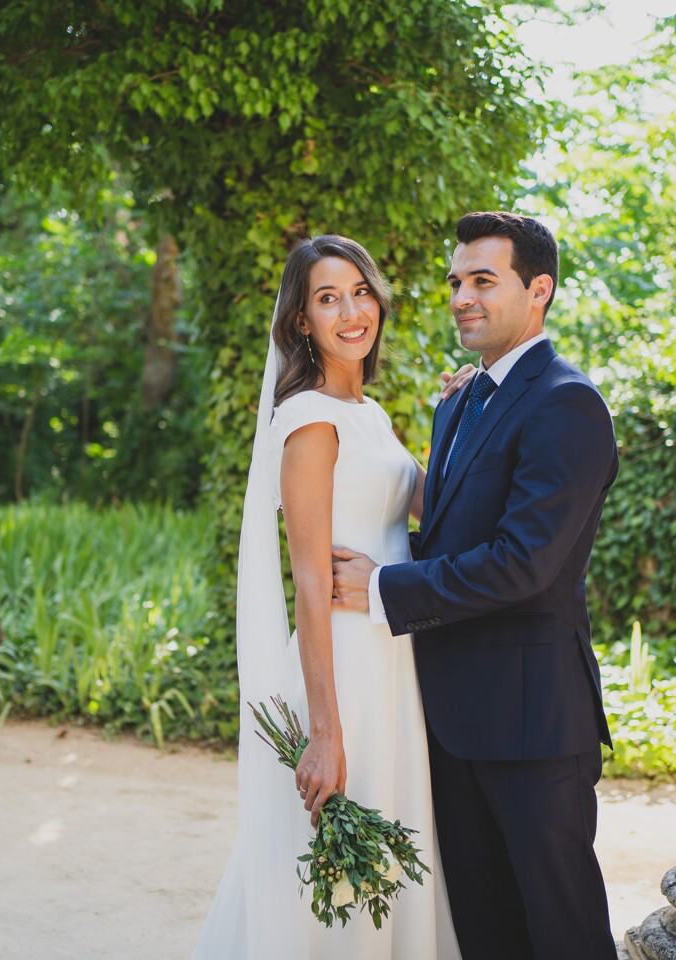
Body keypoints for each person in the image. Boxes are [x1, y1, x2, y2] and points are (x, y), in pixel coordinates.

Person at [332, 211, 620, 959]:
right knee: (483, 932)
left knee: (562, 932)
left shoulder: (568, 402)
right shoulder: (460, 400)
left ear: (539, 290)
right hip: (447, 718)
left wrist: (385, 587)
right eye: (456, 281)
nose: (462, 297)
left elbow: (524, 562)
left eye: (484, 281)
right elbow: (453, 531)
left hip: (531, 724)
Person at [193, 235, 462, 959]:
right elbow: (311, 582)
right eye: (328, 298)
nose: (351, 312)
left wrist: (465, 412)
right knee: (332, 887)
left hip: (392, 658)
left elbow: (433, 508)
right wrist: (324, 731)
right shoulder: (310, 420)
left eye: (361, 292)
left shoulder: (368, 414)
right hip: (344, 670)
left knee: (389, 866)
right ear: (301, 321)